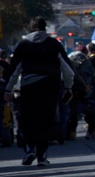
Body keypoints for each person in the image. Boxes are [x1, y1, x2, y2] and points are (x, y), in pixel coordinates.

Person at [4, 17, 74, 167]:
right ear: (44, 28)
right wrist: (68, 88)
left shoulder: (23, 45)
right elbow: (68, 70)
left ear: (30, 28)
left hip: (29, 87)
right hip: (50, 86)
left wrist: (8, 89)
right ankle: (42, 156)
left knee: (27, 119)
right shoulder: (54, 44)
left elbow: (14, 70)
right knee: (46, 121)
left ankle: (29, 149)